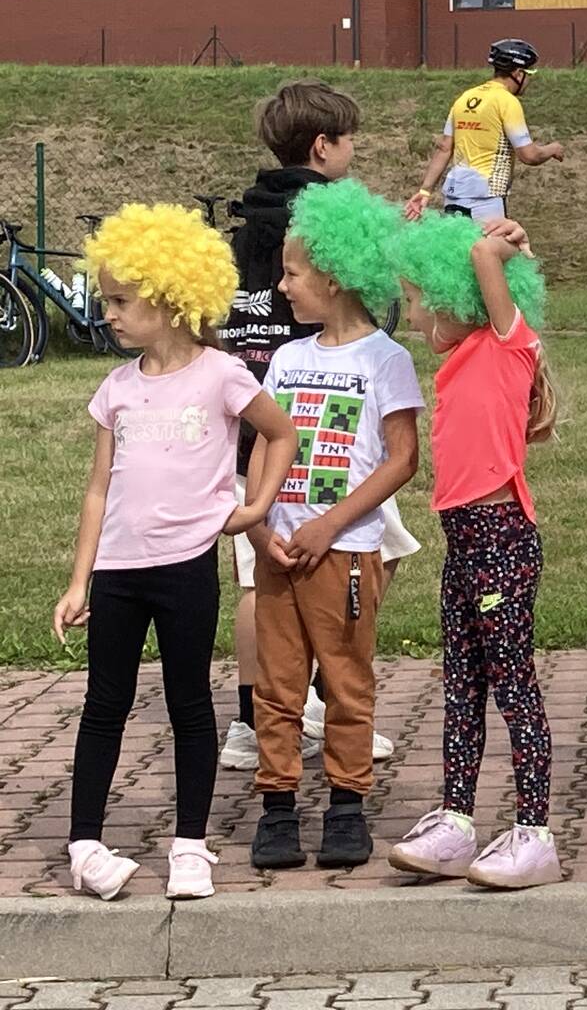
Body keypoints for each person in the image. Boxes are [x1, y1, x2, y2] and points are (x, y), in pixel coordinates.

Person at [57, 205, 298, 901]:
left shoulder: (222, 375)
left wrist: (254, 508)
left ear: (168, 300)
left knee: (189, 702)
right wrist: (79, 581)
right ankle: (84, 844)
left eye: (120, 301)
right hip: (118, 572)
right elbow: (98, 490)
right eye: (107, 299)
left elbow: (279, 434)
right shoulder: (116, 388)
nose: (108, 313)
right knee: (104, 703)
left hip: (186, 567)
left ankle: (190, 845)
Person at [219, 81, 415, 776]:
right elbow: (355, 311)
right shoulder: (325, 221)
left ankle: (270, 712)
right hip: (320, 417)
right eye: (349, 140)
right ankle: (310, 710)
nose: (353, 153)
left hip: (252, 418)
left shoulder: (247, 219)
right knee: (344, 560)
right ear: (323, 146)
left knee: (265, 577)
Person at [247, 181, 422, 873]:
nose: (282, 287)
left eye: (292, 273)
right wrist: (258, 526)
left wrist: (329, 526)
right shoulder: (288, 359)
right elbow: (266, 443)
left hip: (343, 552)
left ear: (335, 275)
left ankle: (347, 806)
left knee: (346, 683)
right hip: (279, 552)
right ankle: (277, 808)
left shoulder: (385, 359)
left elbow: (403, 458)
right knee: (276, 686)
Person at [385, 213, 561, 891]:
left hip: (500, 541)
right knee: (461, 686)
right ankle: (457, 820)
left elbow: (488, 261)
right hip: (463, 543)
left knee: (513, 686)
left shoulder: (508, 345)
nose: (412, 316)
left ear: (451, 297)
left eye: (416, 300)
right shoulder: (460, 359)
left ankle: (534, 832)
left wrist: (499, 245)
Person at [405, 39, 565, 224]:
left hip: (454, 195)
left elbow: (444, 148)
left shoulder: (465, 98)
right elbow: (529, 156)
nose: (529, 80)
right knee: (493, 244)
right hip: (486, 198)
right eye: (529, 74)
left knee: (458, 243)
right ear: (518, 73)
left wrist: (425, 191)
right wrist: (552, 149)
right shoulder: (507, 101)